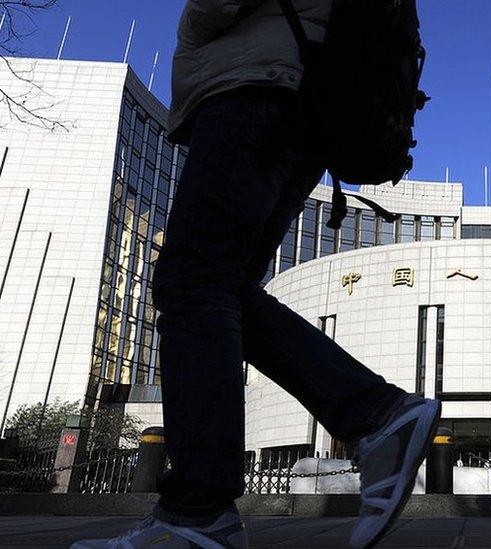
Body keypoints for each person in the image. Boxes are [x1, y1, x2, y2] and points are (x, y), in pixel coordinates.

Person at [72, 2, 441, 548]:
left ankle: (200, 509)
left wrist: (193, 25)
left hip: (258, 85)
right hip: (306, 99)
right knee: (217, 284)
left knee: (192, 279)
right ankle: (375, 417)